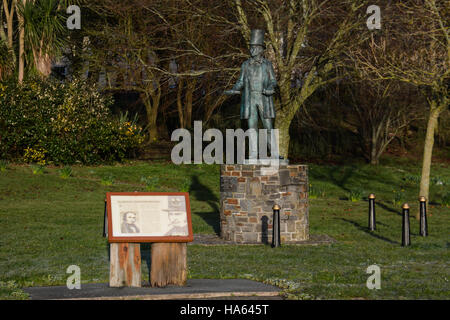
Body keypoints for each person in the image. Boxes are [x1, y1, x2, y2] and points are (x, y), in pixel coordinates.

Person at [224, 29, 280, 159]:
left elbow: (273, 80)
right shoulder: (245, 65)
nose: (252, 50)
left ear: (261, 49)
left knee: (268, 126)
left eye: (254, 47)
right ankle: (254, 153)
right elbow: (240, 81)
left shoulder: (267, 64)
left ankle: (274, 153)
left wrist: (270, 87)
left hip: (263, 98)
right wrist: (234, 89)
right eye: (251, 47)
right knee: (251, 126)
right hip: (250, 99)